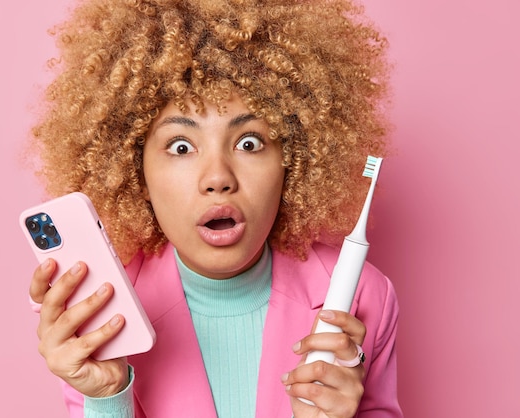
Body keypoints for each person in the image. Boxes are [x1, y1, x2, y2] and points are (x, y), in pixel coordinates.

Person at [26, 0, 402, 417]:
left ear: (292, 160)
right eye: (181, 147)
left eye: (249, 143)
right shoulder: (103, 310)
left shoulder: (364, 296)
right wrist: (106, 398)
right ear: (137, 173)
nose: (218, 176)